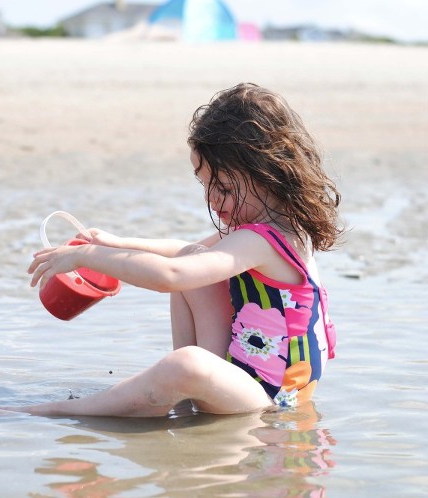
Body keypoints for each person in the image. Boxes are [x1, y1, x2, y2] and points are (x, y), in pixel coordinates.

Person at [25, 83, 342, 417]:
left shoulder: (262, 240)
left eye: (222, 187)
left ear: (265, 173)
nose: (211, 199)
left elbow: (170, 276)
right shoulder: (274, 228)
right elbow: (184, 254)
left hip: (271, 397)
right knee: (191, 257)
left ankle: (67, 410)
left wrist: (85, 257)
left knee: (186, 363)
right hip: (244, 377)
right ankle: (182, 391)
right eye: (205, 185)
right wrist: (113, 244)